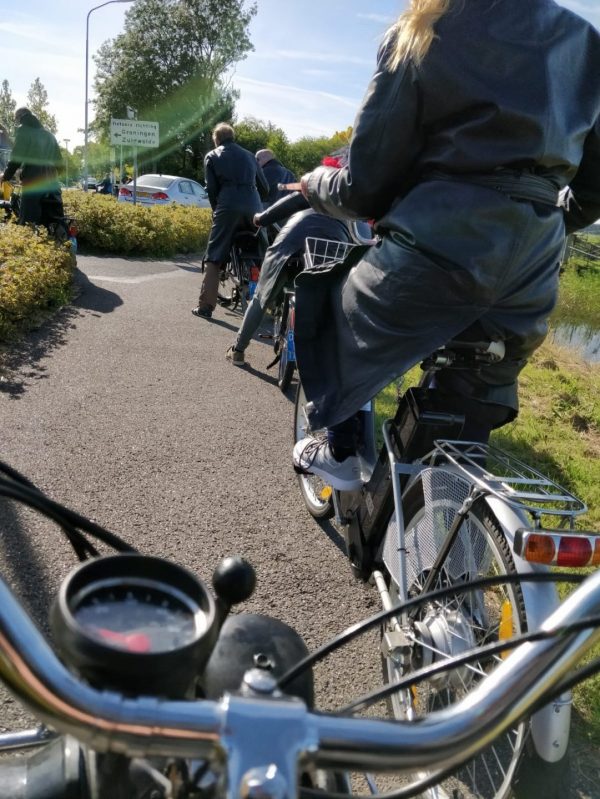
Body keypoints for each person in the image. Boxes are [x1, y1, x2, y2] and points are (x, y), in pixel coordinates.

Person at [292, 0, 600, 492]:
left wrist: (314, 184)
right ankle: (456, 526)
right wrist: (547, 225)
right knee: (471, 401)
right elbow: (594, 184)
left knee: (324, 300)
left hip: (438, 250)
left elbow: (365, 186)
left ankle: (342, 448)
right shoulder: (585, 42)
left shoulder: (423, 27)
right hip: (533, 271)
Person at [192, 123, 269, 319]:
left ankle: (205, 307)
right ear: (233, 137)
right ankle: (270, 301)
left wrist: (216, 209)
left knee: (215, 254)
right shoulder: (250, 156)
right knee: (262, 251)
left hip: (228, 205)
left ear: (216, 139)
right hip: (253, 205)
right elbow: (265, 187)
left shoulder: (212, 155)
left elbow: (211, 189)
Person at [0, 108, 63, 225]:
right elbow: (60, 163)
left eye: (16, 119)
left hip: (33, 181)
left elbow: (17, 157)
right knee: (55, 221)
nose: (16, 122)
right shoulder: (50, 135)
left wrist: (6, 176)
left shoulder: (23, 131)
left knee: (29, 222)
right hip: (53, 183)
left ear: (20, 117)